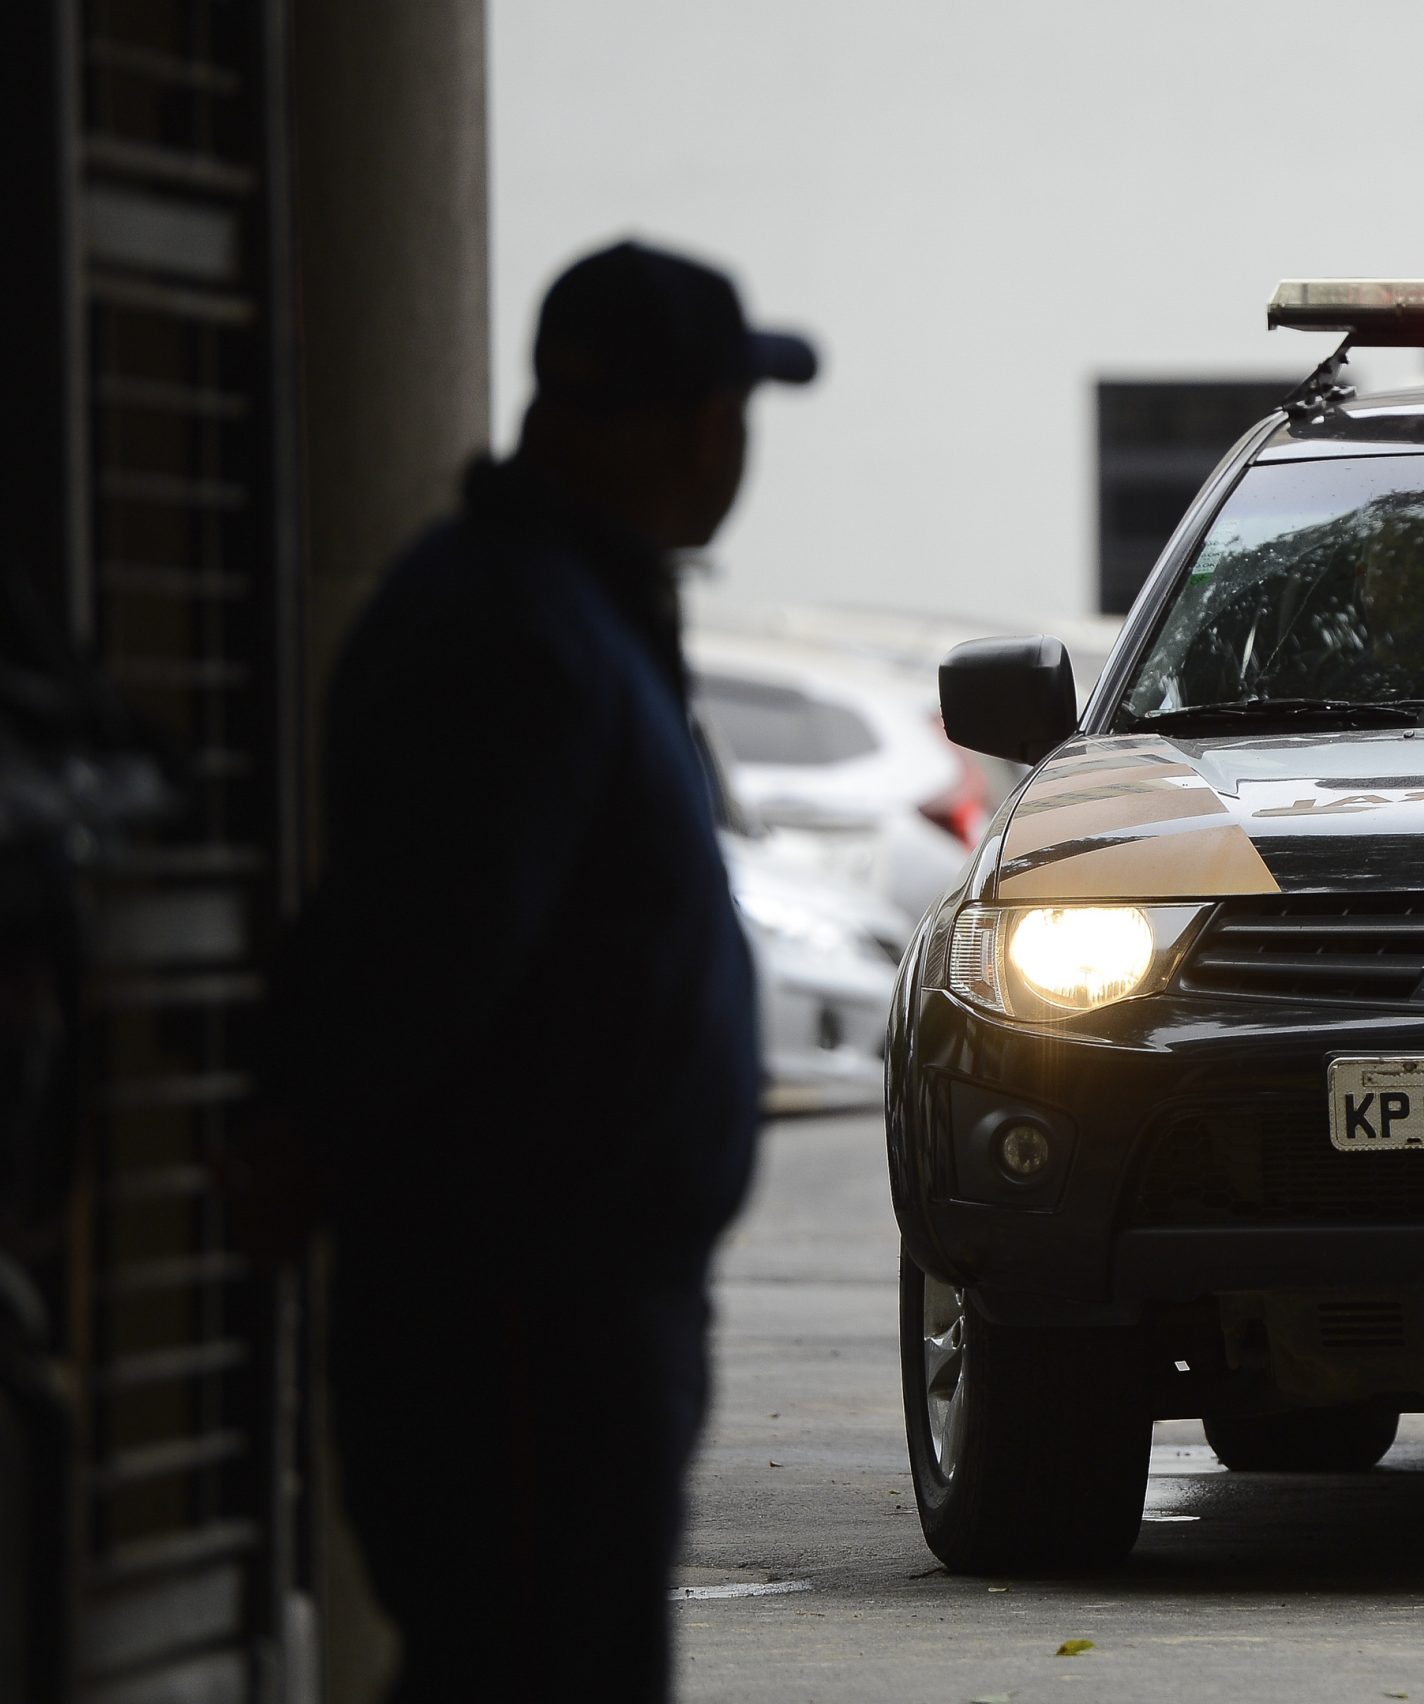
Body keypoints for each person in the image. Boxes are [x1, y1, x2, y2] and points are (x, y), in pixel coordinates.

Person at [271, 240, 817, 1701]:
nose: (736, 449)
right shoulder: (520, 635)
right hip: (522, 1331)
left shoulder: (558, 611)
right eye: (732, 417)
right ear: (699, 429)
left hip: (568, 1312)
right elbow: (422, 962)